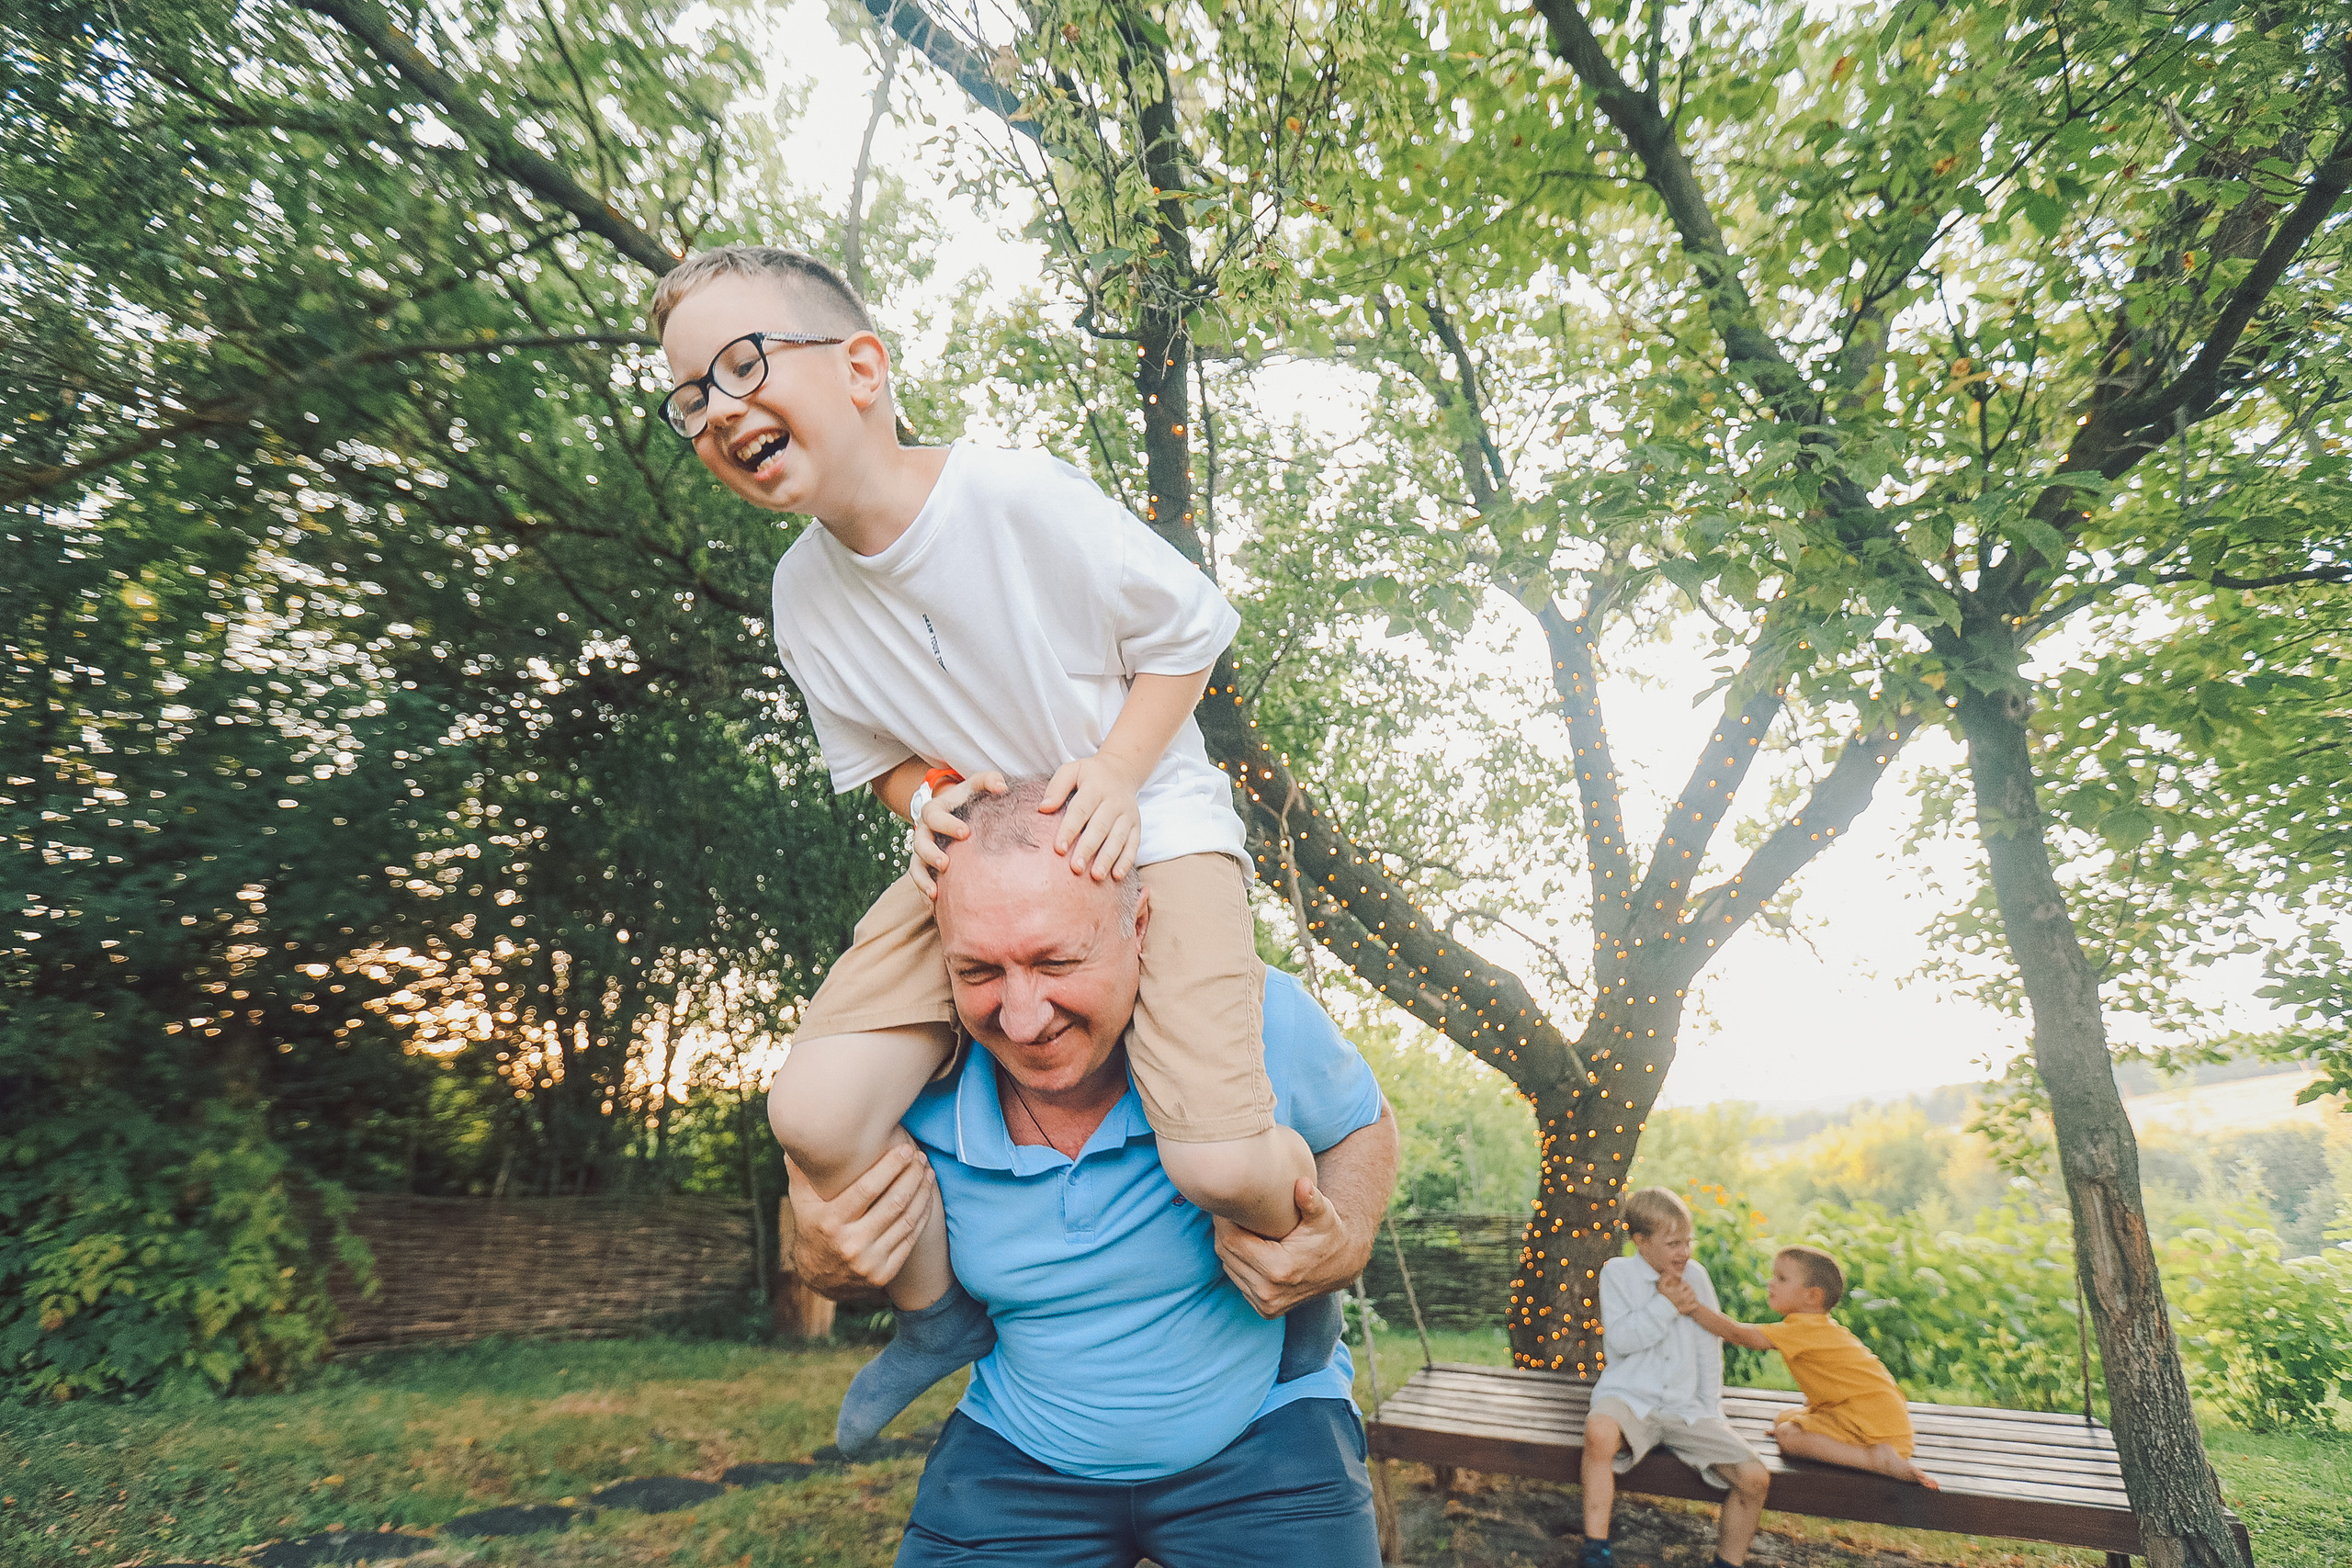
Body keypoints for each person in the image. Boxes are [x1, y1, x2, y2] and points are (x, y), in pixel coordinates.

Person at [648, 244, 1327, 1455]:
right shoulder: (802, 596)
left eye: (743, 363)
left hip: (1145, 824)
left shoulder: (1013, 496)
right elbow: (879, 759)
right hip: (981, 855)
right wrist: (928, 801)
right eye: (690, 396)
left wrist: (1115, 772)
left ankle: (1300, 1261)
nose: (718, 407)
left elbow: (1190, 629)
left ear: (862, 366)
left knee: (1221, 1157)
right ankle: (937, 1314)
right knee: (814, 1109)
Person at [786, 778, 1397, 1566]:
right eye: (977, 971)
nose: (1023, 1014)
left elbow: (1366, 1124)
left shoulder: (1245, 1023)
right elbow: (817, 1169)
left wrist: (1343, 1244)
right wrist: (822, 1258)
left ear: (1138, 925)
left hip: (1265, 1430)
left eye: (1057, 960)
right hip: (1020, 1449)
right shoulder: (903, 1080)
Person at [1580, 1187, 1770, 1568]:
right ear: (1641, 1241)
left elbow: (1707, 1347)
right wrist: (1665, 1305)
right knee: (1598, 1433)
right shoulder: (1617, 1273)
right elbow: (1621, 1341)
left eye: (1687, 1241)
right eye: (1672, 1244)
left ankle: (1727, 1562)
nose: (1683, 1252)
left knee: (1754, 1477)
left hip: (1685, 1407)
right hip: (1629, 1398)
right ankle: (1596, 1551)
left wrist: (1708, 1408)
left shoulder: (1695, 1276)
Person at [1681, 1245, 1940, 1489]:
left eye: (1782, 1279)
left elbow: (1740, 1335)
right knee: (1784, 1419)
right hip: (1876, 1416)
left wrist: (1692, 1307)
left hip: (1877, 1430)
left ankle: (1875, 1459)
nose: (1771, 1283)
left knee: (1788, 1436)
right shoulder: (1816, 1326)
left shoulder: (1803, 1328)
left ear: (1812, 1296)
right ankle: (1852, 1445)